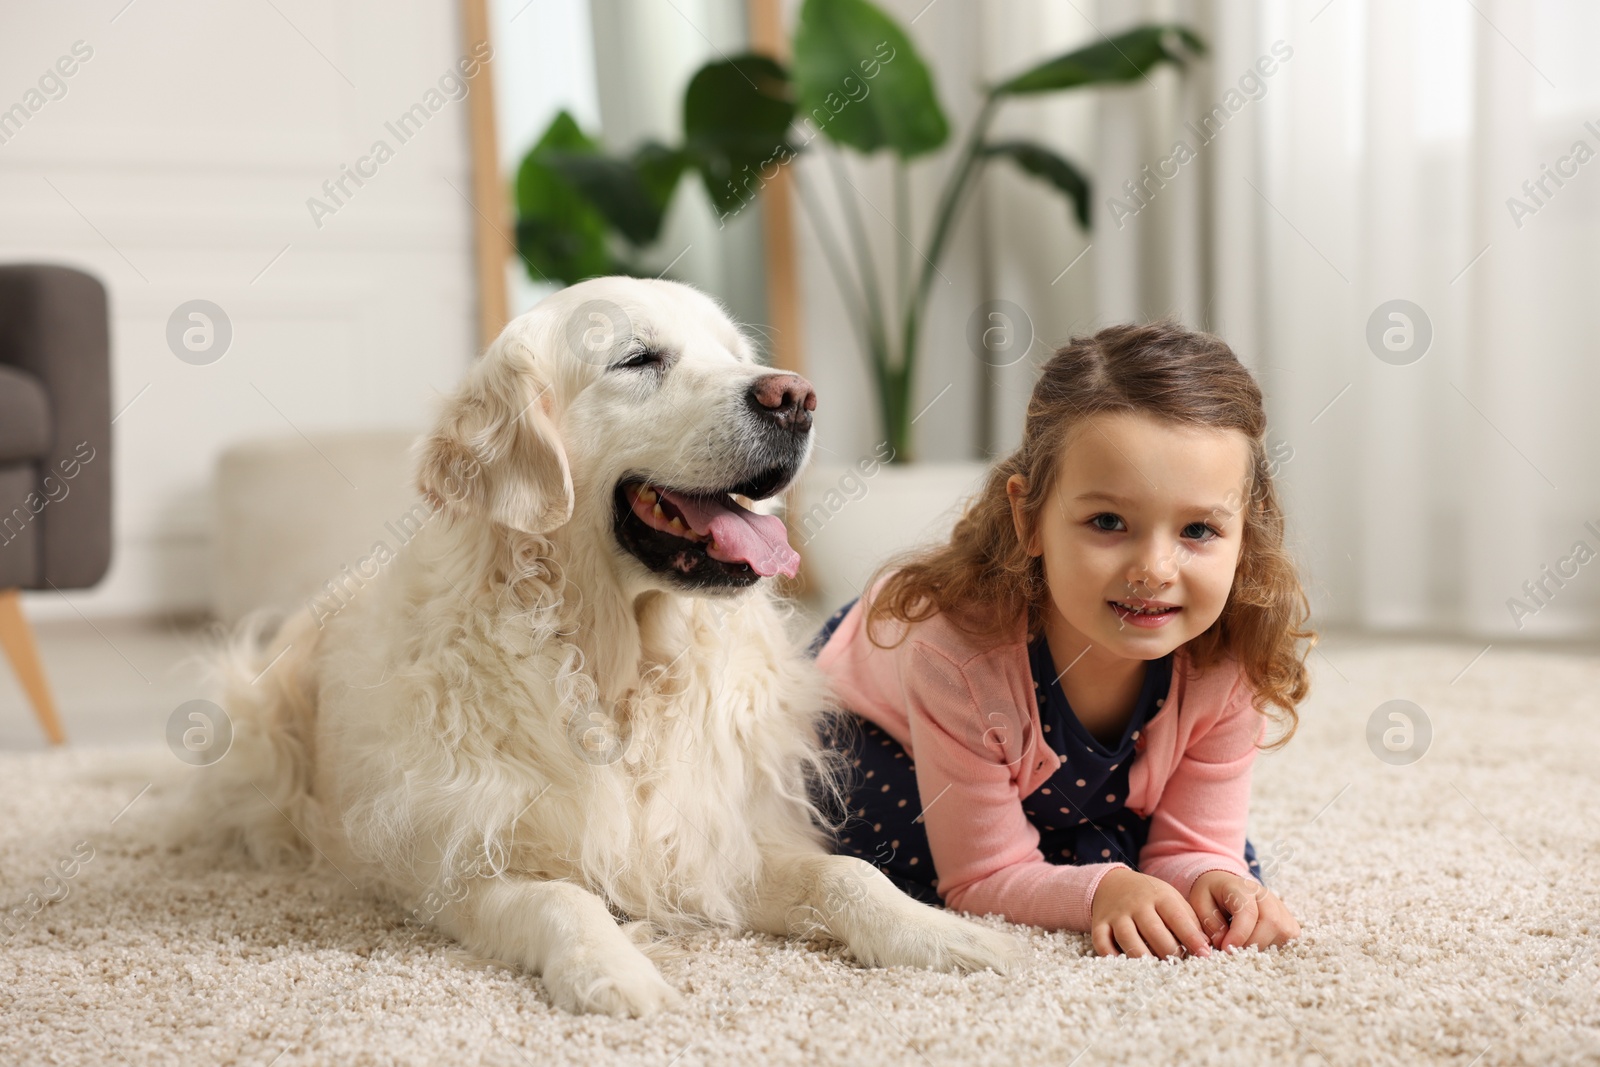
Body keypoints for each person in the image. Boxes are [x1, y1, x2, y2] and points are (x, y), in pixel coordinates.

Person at [807, 319, 1314, 960]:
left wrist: (1211, 876)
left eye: (1199, 531)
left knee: (1219, 866)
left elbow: (1193, 843)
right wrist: (1100, 892)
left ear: (1247, 528)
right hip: (877, 722)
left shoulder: (1230, 653)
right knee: (872, 825)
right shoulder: (953, 652)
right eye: (1108, 521)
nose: (1155, 570)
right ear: (1029, 518)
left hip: (1038, 770)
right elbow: (980, 875)